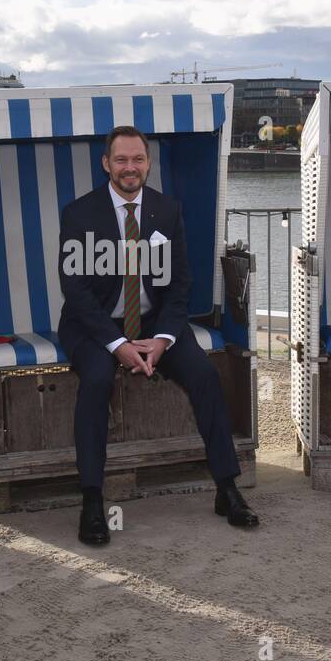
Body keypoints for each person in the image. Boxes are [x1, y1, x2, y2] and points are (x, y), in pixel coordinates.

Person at [57, 125, 259, 546]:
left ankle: (227, 488)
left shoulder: (167, 211)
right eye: (121, 160)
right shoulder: (80, 213)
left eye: (138, 159)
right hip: (95, 326)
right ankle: (92, 499)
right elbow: (74, 290)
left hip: (155, 324)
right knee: (95, 381)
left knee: (204, 376)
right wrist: (117, 346)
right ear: (106, 164)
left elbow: (180, 283)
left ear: (149, 163)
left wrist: (164, 338)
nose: (130, 168)